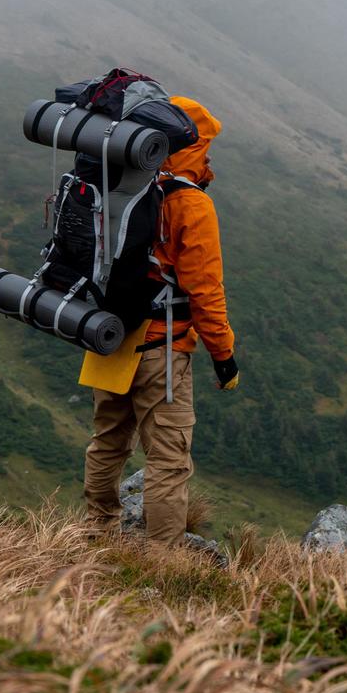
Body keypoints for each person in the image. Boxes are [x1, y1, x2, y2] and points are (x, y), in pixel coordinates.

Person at [82, 97, 238, 541]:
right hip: (161, 347)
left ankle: (96, 535)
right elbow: (206, 291)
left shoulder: (116, 183)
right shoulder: (190, 204)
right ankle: (162, 561)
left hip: (108, 332)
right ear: (188, 144)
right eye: (204, 145)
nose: (208, 155)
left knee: (108, 441)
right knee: (169, 458)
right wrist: (224, 357)